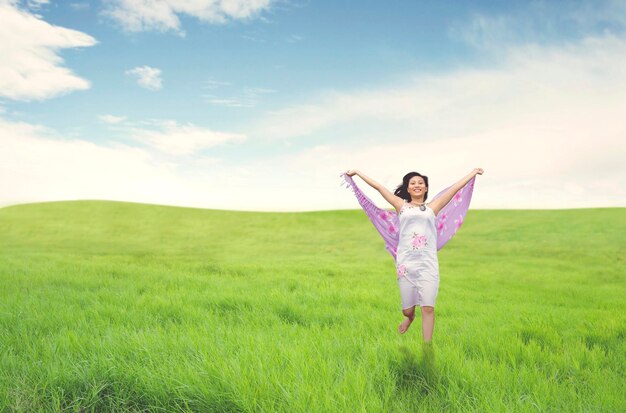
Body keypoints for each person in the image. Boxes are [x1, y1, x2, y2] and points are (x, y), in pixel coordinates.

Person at [345, 168, 484, 342]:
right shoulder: (400, 205)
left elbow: (454, 189)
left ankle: (427, 347)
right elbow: (379, 188)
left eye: (420, 183)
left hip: (428, 264)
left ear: (426, 188)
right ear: (408, 189)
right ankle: (409, 319)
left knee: (428, 308)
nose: (417, 185)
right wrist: (357, 173)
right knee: (408, 310)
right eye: (413, 183)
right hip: (406, 265)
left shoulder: (433, 207)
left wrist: (473, 172)